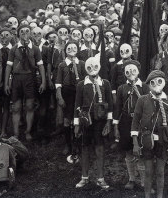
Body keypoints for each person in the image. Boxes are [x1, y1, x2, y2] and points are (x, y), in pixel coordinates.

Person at [131, 70, 168, 198]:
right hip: (147, 141)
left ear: (164, 83)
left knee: (160, 172)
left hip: (164, 141)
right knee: (148, 172)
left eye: (159, 81)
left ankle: (160, 196)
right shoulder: (143, 100)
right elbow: (135, 121)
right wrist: (135, 143)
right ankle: (147, 196)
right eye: (152, 82)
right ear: (148, 85)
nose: (156, 85)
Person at [74, 56, 113, 190]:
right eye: (89, 67)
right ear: (86, 69)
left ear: (99, 67)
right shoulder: (81, 84)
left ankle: (100, 178)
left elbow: (110, 105)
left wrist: (109, 122)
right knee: (85, 148)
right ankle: (84, 177)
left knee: (100, 148)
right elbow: (77, 104)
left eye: (95, 67)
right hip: (86, 121)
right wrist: (77, 124)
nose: (93, 70)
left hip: (100, 121)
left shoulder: (105, 83)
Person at [4, 24, 46, 141]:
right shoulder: (14, 49)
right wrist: (7, 83)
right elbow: (8, 67)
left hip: (30, 79)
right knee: (16, 107)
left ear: (30, 33)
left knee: (29, 106)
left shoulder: (35, 49)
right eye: (22, 31)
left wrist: (43, 82)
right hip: (17, 79)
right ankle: (16, 133)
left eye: (27, 31)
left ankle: (28, 131)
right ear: (18, 34)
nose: (24, 33)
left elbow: (41, 65)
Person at [113, 60, 149, 190]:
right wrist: (116, 126)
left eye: (133, 70)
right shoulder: (122, 88)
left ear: (138, 71)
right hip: (126, 122)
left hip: (141, 122)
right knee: (129, 151)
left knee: (141, 152)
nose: (130, 73)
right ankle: (132, 179)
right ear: (124, 73)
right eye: (127, 71)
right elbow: (117, 108)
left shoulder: (145, 86)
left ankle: (145, 182)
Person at [55, 42, 86, 156]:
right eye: (69, 48)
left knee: (78, 118)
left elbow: (85, 79)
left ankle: (78, 144)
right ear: (65, 50)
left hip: (78, 93)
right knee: (67, 120)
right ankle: (68, 144)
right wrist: (60, 96)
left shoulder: (81, 64)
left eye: (74, 48)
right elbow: (58, 82)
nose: (72, 49)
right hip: (67, 93)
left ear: (77, 50)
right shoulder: (62, 65)